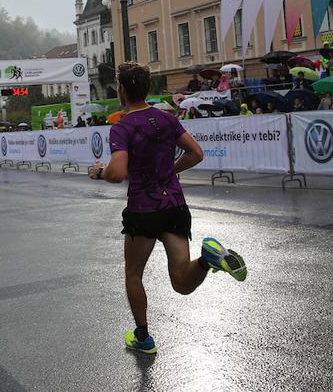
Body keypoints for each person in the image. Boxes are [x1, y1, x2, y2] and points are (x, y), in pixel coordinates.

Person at [87, 62, 246, 355]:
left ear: (122, 90)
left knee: (133, 274)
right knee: (183, 281)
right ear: (146, 88)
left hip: (143, 211)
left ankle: (143, 337)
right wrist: (170, 170)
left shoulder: (122, 127)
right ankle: (207, 259)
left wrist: (100, 171)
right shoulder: (166, 119)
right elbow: (196, 153)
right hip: (173, 204)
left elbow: (119, 172)